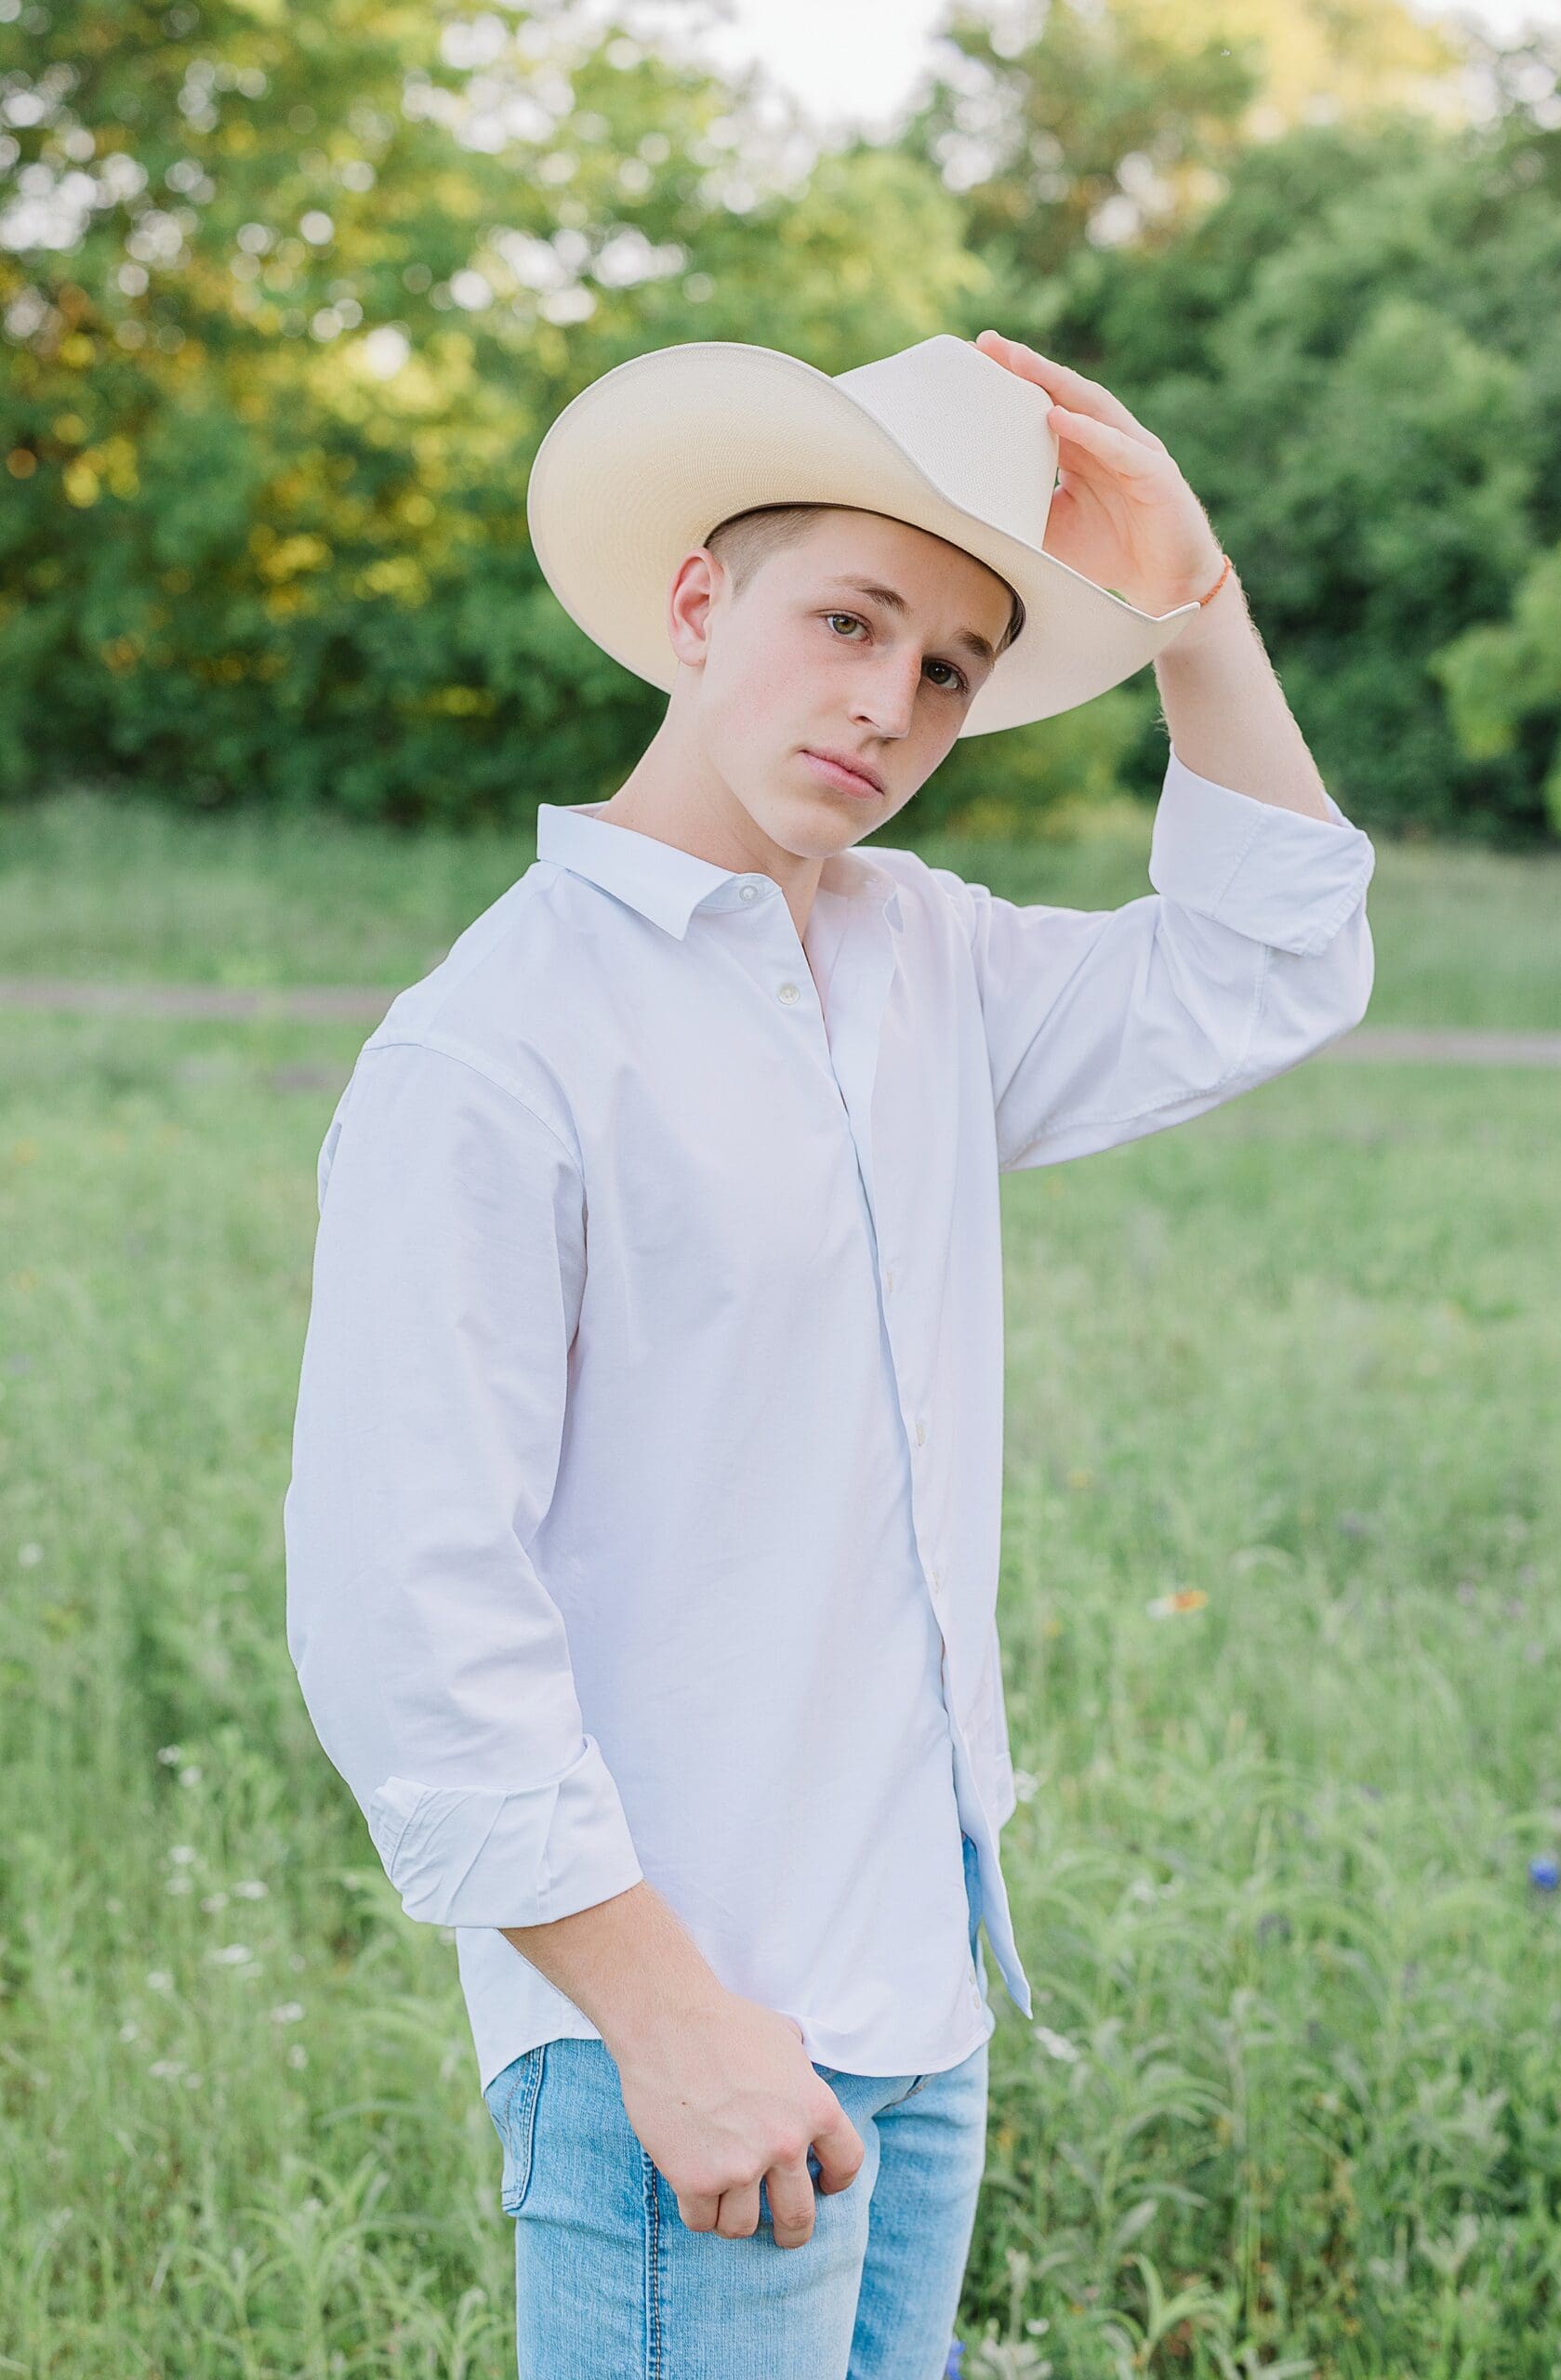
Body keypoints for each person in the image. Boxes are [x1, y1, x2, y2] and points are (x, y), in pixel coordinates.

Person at [282, 327, 1376, 2378]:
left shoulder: (921, 960)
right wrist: (669, 2021)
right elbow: (401, 1604)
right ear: (698, 607)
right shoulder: (496, 1044)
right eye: (846, 620)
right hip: (678, 2034)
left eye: (950, 666)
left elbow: (1270, 959)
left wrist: (1194, 609)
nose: (890, 702)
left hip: (913, 1980)